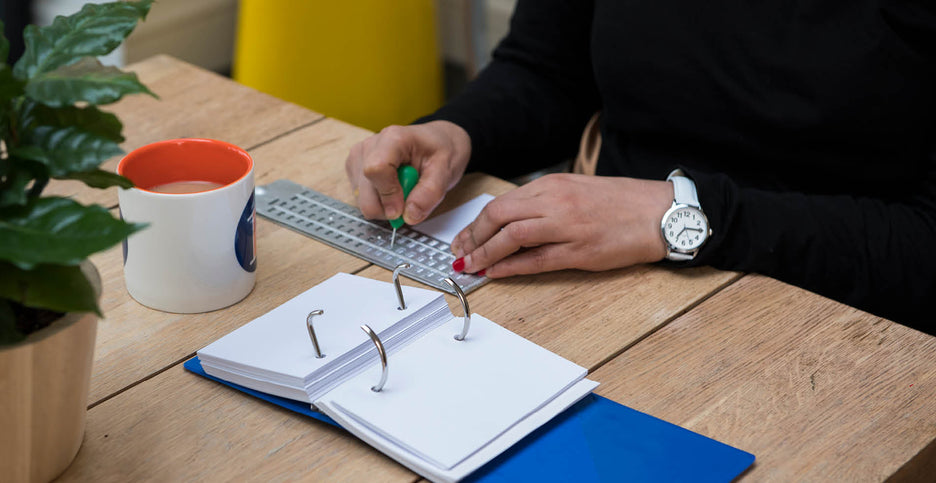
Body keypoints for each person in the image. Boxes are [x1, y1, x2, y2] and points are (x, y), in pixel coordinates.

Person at [345, 0, 936, 333]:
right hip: (603, 289)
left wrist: (684, 212)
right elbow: (548, 70)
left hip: (847, 326)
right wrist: (457, 131)